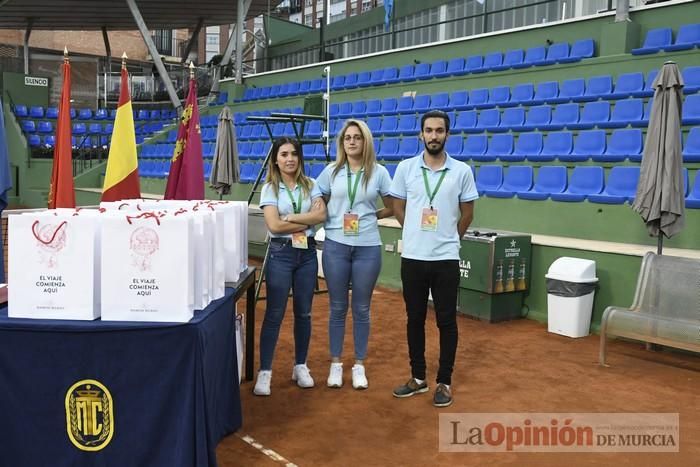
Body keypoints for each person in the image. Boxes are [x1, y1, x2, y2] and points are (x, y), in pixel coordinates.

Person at [389, 110, 478, 408]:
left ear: (447, 135)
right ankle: (417, 378)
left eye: (439, 131)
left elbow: (467, 213)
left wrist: (451, 239)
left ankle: (445, 381)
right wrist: (413, 231)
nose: (434, 136)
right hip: (413, 258)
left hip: (446, 260)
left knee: (446, 321)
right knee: (414, 319)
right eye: (429, 130)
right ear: (421, 134)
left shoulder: (462, 171)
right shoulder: (405, 168)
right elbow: (398, 205)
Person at [316, 119, 393, 390]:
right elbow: (318, 204)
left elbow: (393, 206)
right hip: (336, 244)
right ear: (342, 143)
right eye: (347, 137)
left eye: (357, 137)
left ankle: (359, 364)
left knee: (362, 308)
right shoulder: (330, 172)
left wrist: (371, 216)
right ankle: (336, 364)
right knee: (337, 308)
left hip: (368, 247)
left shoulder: (380, 173)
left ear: (365, 141)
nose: (351, 141)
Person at [254, 137, 327, 396]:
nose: (290, 159)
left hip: (306, 255)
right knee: (274, 313)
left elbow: (322, 215)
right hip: (281, 254)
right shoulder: (269, 189)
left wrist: (293, 218)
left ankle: (300, 366)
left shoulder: (312, 184)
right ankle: (265, 372)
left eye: (294, 154)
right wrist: (307, 222)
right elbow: (274, 226)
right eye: (284, 154)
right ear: (276, 158)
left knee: (304, 313)